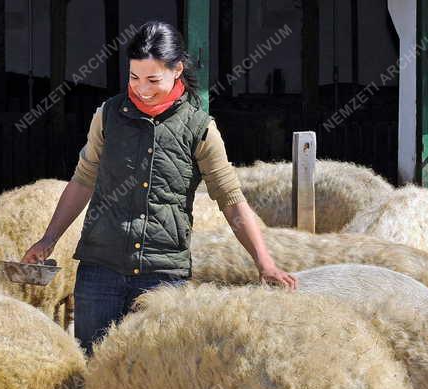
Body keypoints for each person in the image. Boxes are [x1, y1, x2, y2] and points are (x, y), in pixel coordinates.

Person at [21, 20, 296, 355]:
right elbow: (82, 180)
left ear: (177, 70)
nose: (141, 88)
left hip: (161, 276)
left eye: (153, 79)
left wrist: (264, 263)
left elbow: (231, 200)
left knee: (152, 375)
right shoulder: (107, 116)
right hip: (100, 270)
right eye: (134, 78)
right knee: (91, 368)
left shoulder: (200, 129)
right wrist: (49, 239)